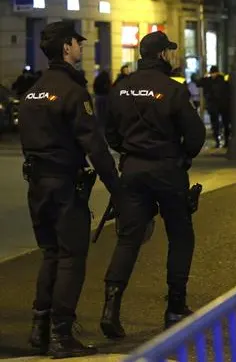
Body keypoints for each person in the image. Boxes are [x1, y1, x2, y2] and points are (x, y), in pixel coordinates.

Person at [19, 21, 120, 357]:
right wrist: (116, 186)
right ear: (66, 47)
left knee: (50, 253)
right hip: (64, 185)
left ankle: (40, 329)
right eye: (78, 42)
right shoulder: (74, 91)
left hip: (37, 185)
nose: (81, 47)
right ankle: (62, 335)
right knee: (71, 257)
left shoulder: (33, 90)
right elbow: (94, 144)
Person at [101, 31, 206, 337]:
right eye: (169, 52)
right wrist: (182, 156)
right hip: (167, 169)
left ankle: (111, 308)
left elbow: (109, 133)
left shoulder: (121, 89)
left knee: (128, 238)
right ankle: (175, 307)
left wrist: (130, 152)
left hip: (132, 170)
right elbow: (196, 135)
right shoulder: (173, 90)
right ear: (161, 55)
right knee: (180, 234)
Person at [198, 66, 231, 148]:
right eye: (212, 73)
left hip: (221, 105)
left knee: (223, 123)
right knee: (217, 124)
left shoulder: (221, 79)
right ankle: (219, 141)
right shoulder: (211, 80)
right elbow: (198, 83)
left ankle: (224, 141)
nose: (213, 75)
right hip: (217, 105)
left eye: (213, 73)